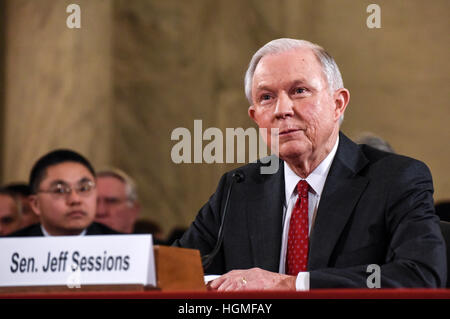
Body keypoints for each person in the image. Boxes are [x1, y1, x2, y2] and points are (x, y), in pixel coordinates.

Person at [175, 38, 446, 290]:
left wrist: (291, 285)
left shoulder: (395, 179)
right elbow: (173, 273)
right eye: (266, 97)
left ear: (338, 104)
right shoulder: (238, 188)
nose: (282, 110)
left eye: (299, 91)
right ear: (255, 116)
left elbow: (420, 274)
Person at [9, 149, 120, 236]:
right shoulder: (9, 250)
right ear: (36, 204)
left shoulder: (121, 248)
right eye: (60, 190)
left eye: (84, 188)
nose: (75, 200)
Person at [95, 168, 140, 234]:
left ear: (133, 211)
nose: (100, 211)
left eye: (111, 201)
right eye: (94, 202)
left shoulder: (151, 244)